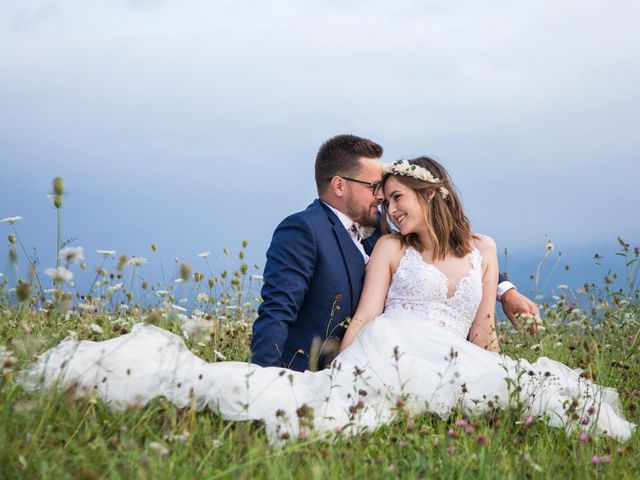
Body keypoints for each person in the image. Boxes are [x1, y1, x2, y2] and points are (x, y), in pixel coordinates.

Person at [24, 156, 635, 445]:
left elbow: (480, 330)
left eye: (398, 197)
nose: (389, 208)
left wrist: (505, 298)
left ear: (434, 194)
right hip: (395, 349)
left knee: (549, 396)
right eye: (383, 197)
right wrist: (335, 367)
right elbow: (368, 314)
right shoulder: (388, 248)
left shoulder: (484, 246)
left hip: (456, 354)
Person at [251, 134, 538, 372]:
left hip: (445, 365)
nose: (383, 201)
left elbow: (450, 257)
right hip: (340, 365)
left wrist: (506, 290)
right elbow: (277, 311)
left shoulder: (379, 226)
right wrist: (268, 380)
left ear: (429, 194)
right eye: (374, 188)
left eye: (390, 195)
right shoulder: (305, 230)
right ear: (339, 185)